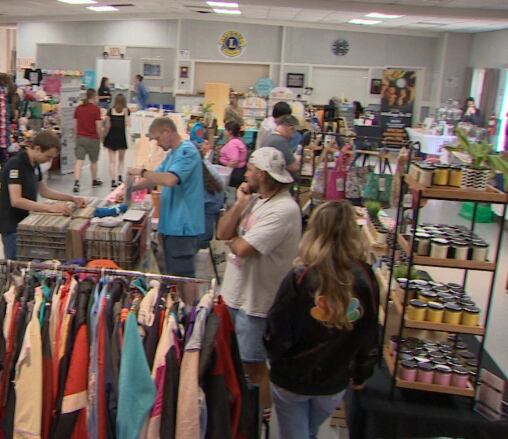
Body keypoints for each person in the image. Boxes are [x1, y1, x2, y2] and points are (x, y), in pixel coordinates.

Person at [264, 201, 379, 439]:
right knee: (309, 431)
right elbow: (369, 332)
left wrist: (275, 358)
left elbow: (278, 330)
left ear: (313, 230)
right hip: (334, 380)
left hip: (292, 378)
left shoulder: (300, 277)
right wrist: (361, 373)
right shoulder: (365, 277)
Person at [215, 146, 301, 415]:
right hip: (235, 295)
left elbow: (242, 248)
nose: (246, 172)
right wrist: (240, 204)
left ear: (262, 175)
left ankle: (259, 418)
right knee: (236, 361)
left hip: (257, 304)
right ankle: (242, 414)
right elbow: (223, 232)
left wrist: (234, 240)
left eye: (251, 169)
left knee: (253, 366)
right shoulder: (256, 199)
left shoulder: (283, 209)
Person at [129, 117, 204, 301]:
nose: (156, 143)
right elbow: (156, 177)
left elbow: (170, 180)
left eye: (157, 138)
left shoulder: (188, 152)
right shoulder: (172, 154)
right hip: (171, 225)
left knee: (184, 276)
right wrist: (131, 187)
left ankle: (190, 315)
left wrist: (142, 172)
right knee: (173, 274)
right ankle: (177, 311)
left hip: (183, 227)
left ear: (167, 132)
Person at [0, 130, 86, 260]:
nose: (48, 161)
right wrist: (49, 208)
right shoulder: (16, 164)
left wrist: (72, 198)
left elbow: (44, 190)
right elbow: (16, 200)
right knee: (15, 267)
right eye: (48, 157)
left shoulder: (35, 164)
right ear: (37, 148)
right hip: (12, 228)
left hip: (26, 223)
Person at [73, 88, 104, 193]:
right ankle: (94, 180)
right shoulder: (96, 109)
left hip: (81, 138)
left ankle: (76, 183)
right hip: (93, 139)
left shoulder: (78, 108)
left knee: (79, 161)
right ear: (94, 97)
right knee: (93, 161)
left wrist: (76, 136)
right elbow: (98, 127)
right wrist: (101, 137)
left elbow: (75, 125)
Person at [102, 94, 131, 188]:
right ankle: (120, 177)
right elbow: (128, 124)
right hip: (121, 137)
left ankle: (112, 181)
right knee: (121, 160)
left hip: (111, 137)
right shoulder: (126, 111)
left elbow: (107, 125)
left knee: (112, 161)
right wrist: (125, 115)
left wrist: (103, 136)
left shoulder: (110, 111)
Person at [219, 120, 248, 188]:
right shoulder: (238, 140)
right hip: (239, 171)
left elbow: (234, 161)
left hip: (234, 173)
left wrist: (225, 172)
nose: (224, 131)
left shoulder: (232, 144)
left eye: (225, 129)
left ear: (230, 131)